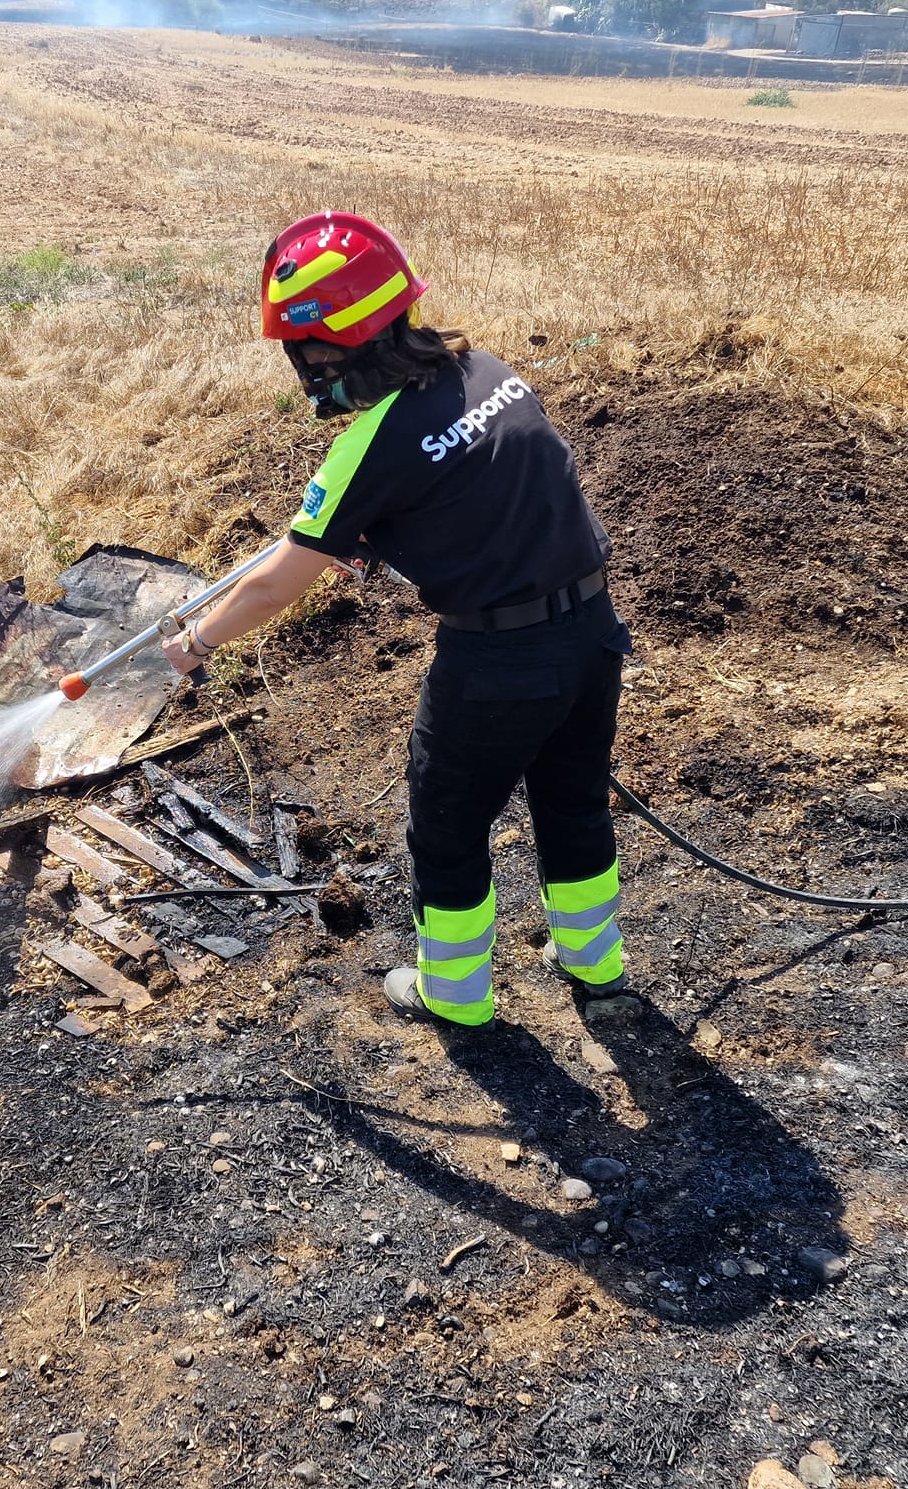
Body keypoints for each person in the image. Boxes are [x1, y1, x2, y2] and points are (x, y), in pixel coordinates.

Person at [160, 210, 632, 1029]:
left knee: (447, 824)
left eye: (300, 349)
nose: (300, 366)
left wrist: (197, 641)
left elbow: (275, 586)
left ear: (326, 345)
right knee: (574, 802)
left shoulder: (368, 450)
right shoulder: (489, 371)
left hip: (498, 663)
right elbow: (492, 486)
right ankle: (596, 965)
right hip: (592, 632)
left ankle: (455, 996)